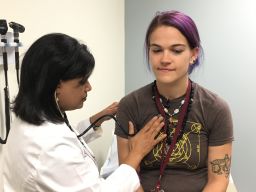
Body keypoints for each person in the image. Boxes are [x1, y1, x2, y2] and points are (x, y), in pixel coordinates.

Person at [3, 33, 167, 192]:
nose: (89, 87)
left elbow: (69, 138)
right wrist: (136, 154)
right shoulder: (50, 148)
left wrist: (98, 119)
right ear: (56, 86)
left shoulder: (34, 122)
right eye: (82, 81)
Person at [115, 10, 233, 192]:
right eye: (156, 50)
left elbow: (218, 180)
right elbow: (127, 177)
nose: (165, 59)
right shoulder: (130, 106)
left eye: (176, 50)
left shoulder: (215, 108)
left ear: (194, 54)